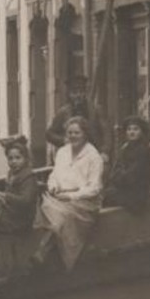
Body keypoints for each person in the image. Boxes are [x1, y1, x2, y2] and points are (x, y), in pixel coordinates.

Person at [33, 116, 104, 271]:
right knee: (43, 205)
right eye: (70, 133)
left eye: (76, 133)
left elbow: (95, 188)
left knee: (62, 216)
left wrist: (71, 196)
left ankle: (43, 250)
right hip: (61, 196)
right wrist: (53, 187)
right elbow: (54, 175)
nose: (72, 136)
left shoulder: (93, 156)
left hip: (84, 201)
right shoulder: (62, 152)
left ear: (85, 134)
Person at [103, 116, 150, 212]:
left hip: (137, 193)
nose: (132, 132)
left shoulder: (144, 150)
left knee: (105, 198)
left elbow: (134, 175)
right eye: (129, 129)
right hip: (124, 188)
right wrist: (118, 177)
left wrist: (119, 177)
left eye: (136, 129)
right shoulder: (125, 148)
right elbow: (116, 170)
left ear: (141, 131)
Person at [46, 76, 106, 155]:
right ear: (69, 94)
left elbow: (106, 132)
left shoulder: (95, 110)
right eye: (74, 93)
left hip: (94, 151)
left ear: (85, 93)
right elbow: (49, 134)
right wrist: (64, 140)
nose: (78, 95)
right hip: (70, 154)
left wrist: (104, 151)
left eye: (81, 92)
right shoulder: (63, 112)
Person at [0, 136, 39, 234]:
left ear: (25, 159)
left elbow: (26, 200)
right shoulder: (11, 173)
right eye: (10, 158)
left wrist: (5, 196)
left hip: (22, 220)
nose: (14, 161)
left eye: (18, 158)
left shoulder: (28, 177)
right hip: (12, 213)